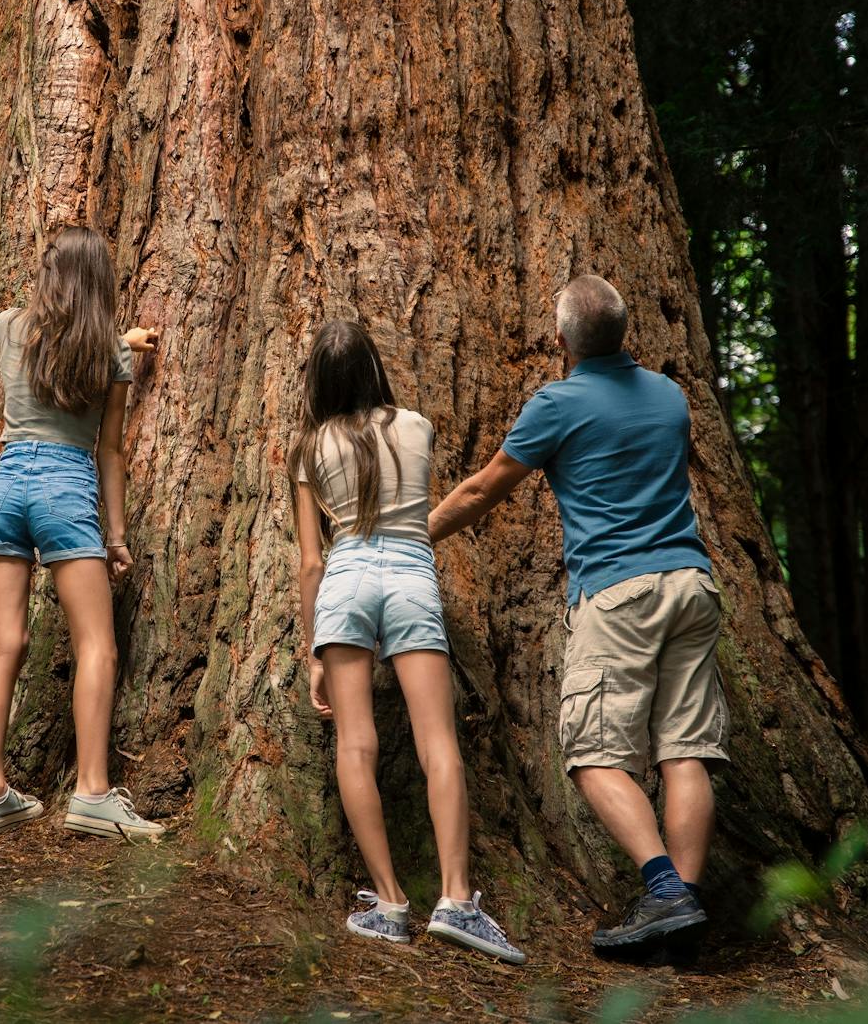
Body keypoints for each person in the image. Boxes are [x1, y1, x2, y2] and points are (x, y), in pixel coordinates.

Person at [429, 275, 726, 952]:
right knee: (683, 748)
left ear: (559, 340)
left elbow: (482, 489)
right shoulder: (670, 395)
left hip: (618, 595)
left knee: (592, 753)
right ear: (625, 333)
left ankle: (663, 889)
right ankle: (680, 907)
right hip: (691, 583)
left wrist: (416, 533)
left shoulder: (556, 404)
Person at [291, 320, 526, 964]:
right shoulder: (417, 426)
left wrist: (315, 649)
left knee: (355, 744)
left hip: (345, 579)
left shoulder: (308, 447)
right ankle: (456, 901)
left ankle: (391, 905)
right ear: (372, 368)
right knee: (438, 742)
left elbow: (310, 562)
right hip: (411, 574)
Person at [0, 226, 166, 843]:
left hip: (6, 484)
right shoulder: (110, 353)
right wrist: (116, 535)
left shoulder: (6, 326)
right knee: (98, 648)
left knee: (5, 646)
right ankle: (92, 793)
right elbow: (109, 451)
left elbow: (48, 335)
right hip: (65, 487)